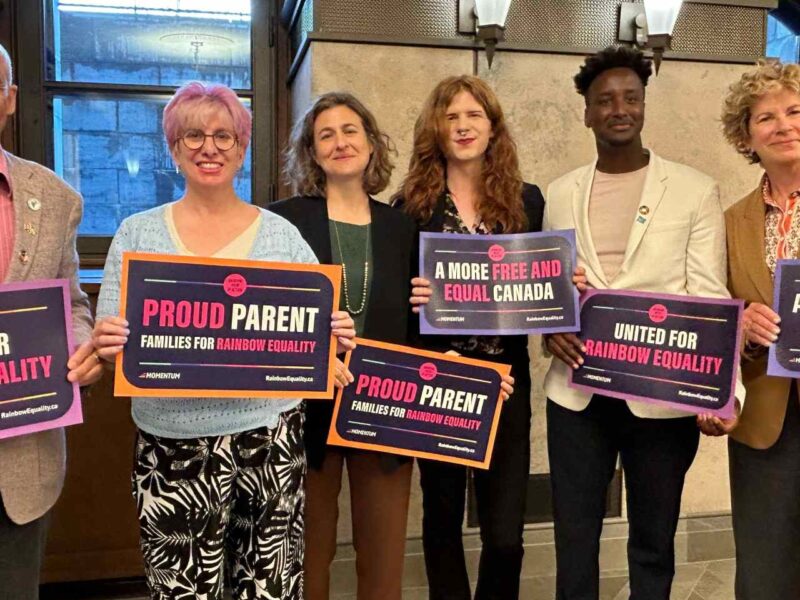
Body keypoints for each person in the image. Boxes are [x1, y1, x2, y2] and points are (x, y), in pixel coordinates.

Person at [92, 81, 355, 600]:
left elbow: (316, 331)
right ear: (173, 147)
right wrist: (107, 340)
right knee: (184, 590)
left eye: (223, 136)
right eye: (193, 135)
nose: (209, 148)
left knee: (270, 589)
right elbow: (110, 338)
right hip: (172, 449)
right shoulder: (136, 234)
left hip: (270, 440)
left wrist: (334, 337)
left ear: (242, 147)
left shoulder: (282, 237)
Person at [543, 46, 744, 600]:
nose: (619, 108)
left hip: (661, 393)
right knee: (573, 536)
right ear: (586, 112)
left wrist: (720, 393)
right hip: (575, 393)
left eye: (631, 97)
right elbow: (546, 289)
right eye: (605, 100)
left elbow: (707, 295)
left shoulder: (693, 189)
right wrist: (547, 330)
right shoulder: (559, 194)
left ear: (644, 106)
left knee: (653, 538)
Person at [396, 75, 545, 600]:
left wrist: (560, 284)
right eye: (451, 116)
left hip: (506, 382)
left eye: (473, 115)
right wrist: (411, 297)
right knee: (441, 523)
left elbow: (538, 294)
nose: (462, 126)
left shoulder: (527, 200)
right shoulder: (409, 206)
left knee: (505, 535)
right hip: (438, 381)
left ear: (493, 126)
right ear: (435, 129)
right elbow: (399, 313)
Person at [270, 91, 416, 600]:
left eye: (350, 130)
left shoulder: (403, 227)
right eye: (325, 134)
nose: (340, 142)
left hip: (384, 405)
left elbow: (414, 321)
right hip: (303, 408)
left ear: (372, 144)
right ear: (311, 151)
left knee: (383, 553)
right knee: (306, 552)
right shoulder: (281, 221)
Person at [0, 43, 102, 600]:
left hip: (23, 460)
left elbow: (73, 304)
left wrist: (81, 346)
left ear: (11, 99)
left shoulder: (56, 198)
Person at [720, 59, 800, 600]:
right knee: (765, 569)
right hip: (765, 413)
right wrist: (740, 320)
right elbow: (711, 305)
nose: (783, 124)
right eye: (765, 117)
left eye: (794, 110)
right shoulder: (728, 221)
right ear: (746, 135)